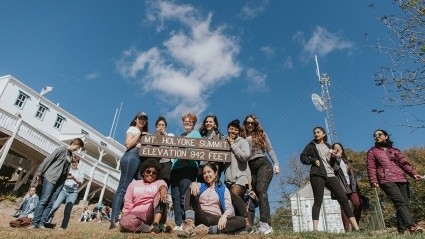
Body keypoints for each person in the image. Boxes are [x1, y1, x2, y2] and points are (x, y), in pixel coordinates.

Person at [300, 127, 360, 232]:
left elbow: (333, 164)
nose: (316, 134)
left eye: (318, 132)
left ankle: (356, 228)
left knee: (344, 200)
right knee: (318, 200)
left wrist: (336, 156)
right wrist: (313, 160)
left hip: (331, 175)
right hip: (317, 174)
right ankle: (315, 230)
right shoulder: (311, 145)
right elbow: (302, 157)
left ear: (324, 134)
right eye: (314, 132)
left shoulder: (329, 146)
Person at [367, 129, 423, 234]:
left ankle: (401, 231)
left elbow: (404, 164)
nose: (377, 136)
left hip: (402, 179)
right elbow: (371, 167)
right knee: (400, 202)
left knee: (405, 204)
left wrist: (413, 173)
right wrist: (373, 180)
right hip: (386, 180)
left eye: (379, 134)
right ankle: (412, 227)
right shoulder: (372, 152)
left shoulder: (395, 150)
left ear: (386, 136)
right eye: (375, 135)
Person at [177, 162, 246, 236]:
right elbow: (192, 192)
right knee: (190, 189)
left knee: (241, 221)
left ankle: (207, 230)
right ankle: (189, 224)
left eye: (209, 172)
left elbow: (229, 208)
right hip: (200, 215)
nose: (206, 175)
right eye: (204, 173)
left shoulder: (223, 189)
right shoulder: (200, 186)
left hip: (215, 218)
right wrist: (193, 184)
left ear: (215, 173)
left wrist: (224, 216)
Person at [29, 138, 84, 229]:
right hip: (51, 178)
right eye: (77, 147)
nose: (77, 150)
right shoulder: (61, 149)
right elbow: (48, 160)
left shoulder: (70, 155)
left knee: (51, 202)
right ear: (74, 143)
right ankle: (35, 223)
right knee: (44, 200)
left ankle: (41, 224)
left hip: (60, 182)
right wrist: (39, 173)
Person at [241, 114, 279, 234]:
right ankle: (265, 225)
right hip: (250, 168)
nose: (250, 124)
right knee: (253, 194)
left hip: (263, 163)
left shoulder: (261, 134)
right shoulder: (242, 136)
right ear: (245, 124)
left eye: (252, 122)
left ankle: (264, 223)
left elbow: (270, 150)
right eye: (248, 122)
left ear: (256, 124)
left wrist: (276, 163)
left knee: (261, 190)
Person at [110, 112, 148, 229]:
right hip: (131, 156)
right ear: (136, 119)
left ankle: (136, 218)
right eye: (140, 118)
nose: (142, 121)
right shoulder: (132, 129)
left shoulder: (145, 133)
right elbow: (128, 144)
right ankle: (114, 219)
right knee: (123, 187)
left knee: (141, 189)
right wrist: (140, 134)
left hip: (140, 160)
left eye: (144, 119)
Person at [170, 113, 201, 231]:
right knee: (175, 196)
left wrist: (187, 156)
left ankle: (186, 222)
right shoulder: (181, 136)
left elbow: (197, 151)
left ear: (193, 124)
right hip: (175, 169)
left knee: (184, 196)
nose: (187, 123)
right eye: (185, 121)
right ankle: (178, 223)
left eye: (190, 121)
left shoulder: (196, 134)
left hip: (189, 167)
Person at [119, 160, 168, 233]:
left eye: (154, 173)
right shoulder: (133, 184)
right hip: (136, 215)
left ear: (156, 175)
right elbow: (127, 204)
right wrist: (123, 220)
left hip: (152, 213)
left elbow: (163, 186)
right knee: (124, 222)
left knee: (160, 193)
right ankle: (150, 229)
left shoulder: (159, 182)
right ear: (143, 172)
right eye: (148, 171)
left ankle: (156, 224)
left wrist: (163, 189)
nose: (151, 174)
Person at [222, 119, 252, 230]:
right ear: (228, 129)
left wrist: (233, 145)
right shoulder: (224, 141)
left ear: (238, 131)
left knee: (233, 195)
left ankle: (247, 221)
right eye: (231, 129)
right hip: (228, 179)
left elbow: (245, 157)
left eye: (235, 129)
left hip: (241, 176)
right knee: (231, 201)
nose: (233, 131)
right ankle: (240, 225)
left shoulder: (242, 142)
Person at [46, 155, 84, 230]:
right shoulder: (67, 169)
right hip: (63, 191)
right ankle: (46, 221)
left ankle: (63, 227)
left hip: (73, 193)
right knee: (54, 206)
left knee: (67, 210)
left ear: (78, 163)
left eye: (76, 162)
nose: (74, 163)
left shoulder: (80, 172)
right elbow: (60, 177)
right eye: (73, 162)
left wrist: (74, 178)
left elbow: (81, 182)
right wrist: (66, 177)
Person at [331, 143, 363, 232]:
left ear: (342, 149)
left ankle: (355, 224)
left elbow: (352, 174)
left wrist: (356, 185)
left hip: (351, 186)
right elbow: (335, 168)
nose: (337, 148)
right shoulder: (332, 160)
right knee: (344, 207)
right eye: (335, 147)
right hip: (340, 187)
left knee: (358, 204)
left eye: (339, 147)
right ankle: (347, 229)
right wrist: (337, 157)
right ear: (333, 150)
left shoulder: (347, 160)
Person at [198, 114, 225, 182]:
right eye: (206, 122)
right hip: (201, 168)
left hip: (214, 168)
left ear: (215, 124)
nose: (208, 123)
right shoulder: (200, 136)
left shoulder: (220, 136)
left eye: (210, 122)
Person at [154, 116, 175, 187]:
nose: (161, 126)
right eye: (159, 125)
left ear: (166, 127)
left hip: (166, 163)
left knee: (164, 184)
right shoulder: (153, 137)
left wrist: (165, 135)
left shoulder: (170, 135)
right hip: (156, 163)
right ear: (156, 126)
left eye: (163, 125)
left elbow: (173, 146)